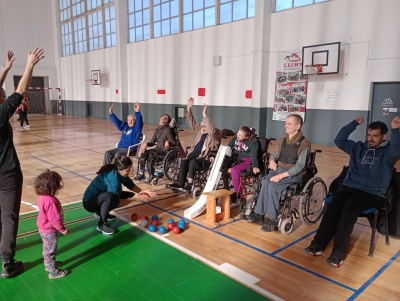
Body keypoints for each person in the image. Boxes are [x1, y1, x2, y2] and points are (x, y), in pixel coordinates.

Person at [304, 116, 400, 267]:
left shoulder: (388, 153)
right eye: (369, 135)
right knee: (333, 206)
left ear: (384, 136)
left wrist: (396, 129)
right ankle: (318, 245)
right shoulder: (358, 148)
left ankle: (338, 253)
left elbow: (396, 150)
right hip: (349, 187)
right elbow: (339, 140)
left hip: (372, 193)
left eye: (375, 136)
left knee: (349, 208)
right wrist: (354, 124)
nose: (371, 139)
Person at [0, 48, 44, 278]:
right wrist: (29, 65)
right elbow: (22, 90)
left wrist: (6, 68)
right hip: (6, 173)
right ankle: (7, 262)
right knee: (8, 217)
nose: (4, 93)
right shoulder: (1, 113)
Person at [248, 114, 310, 232]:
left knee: (273, 186)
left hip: (293, 174)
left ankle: (273, 219)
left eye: (289, 124)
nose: (285, 126)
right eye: (285, 123)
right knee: (265, 181)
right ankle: (259, 213)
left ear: (298, 126)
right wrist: (272, 161)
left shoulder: (304, 143)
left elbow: (300, 166)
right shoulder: (282, 140)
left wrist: (281, 176)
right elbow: (276, 156)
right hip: (279, 169)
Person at [167, 97, 222, 192]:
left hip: (205, 156)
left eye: (205, 126)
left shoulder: (215, 135)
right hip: (195, 153)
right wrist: (188, 109)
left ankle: (190, 183)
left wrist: (204, 115)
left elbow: (212, 130)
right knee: (184, 161)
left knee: (192, 163)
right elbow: (192, 122)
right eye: (202, 126)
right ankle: (180, 183)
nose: (203, 128)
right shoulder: (200, 131)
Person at [83, 155, 136, 235]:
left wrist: (144, 192)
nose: (129, 172)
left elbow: (130, 185)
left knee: (130, 195)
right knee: (110, 197)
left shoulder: (119, 172)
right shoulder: (112, 177)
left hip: (98, 199)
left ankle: (100, 213)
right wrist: (135, 199)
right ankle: (102, 224)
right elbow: (115, 201)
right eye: (127, 170)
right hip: (89, 203)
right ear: (119, 169)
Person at [35, 169, 70, 279]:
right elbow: (54, 219)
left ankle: (49, 265)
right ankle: (52, 271)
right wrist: (63, 229)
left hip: (43, 228)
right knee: (50, 250)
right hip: (49, 230)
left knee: (47, 248)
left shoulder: (43, 197)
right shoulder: (50, 201)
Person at [135, 113, 176, 182]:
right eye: (163, 117)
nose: (164, 118)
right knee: (144, 153)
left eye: (166, 118)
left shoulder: (168, 130)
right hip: (157, 150)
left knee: (151, 155)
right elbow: (153, 142)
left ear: (167, 122)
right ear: (159, 119)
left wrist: (169, 142)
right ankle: (141, 173)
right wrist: (146, 144)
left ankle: (151, 175)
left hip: (165, 151)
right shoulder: (157, 130)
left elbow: (174, 143)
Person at [227, 126, 260, 203]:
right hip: (237, 158)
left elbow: (254, 155)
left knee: (234, 170)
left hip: (247, 161)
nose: (238, 136)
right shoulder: (236, 137)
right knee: (223, 166)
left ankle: (237, 193)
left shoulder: (253, 141)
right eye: (238, 133)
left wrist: (255, 166)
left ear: (247, 136)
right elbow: (228, 147)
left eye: (240, 135)